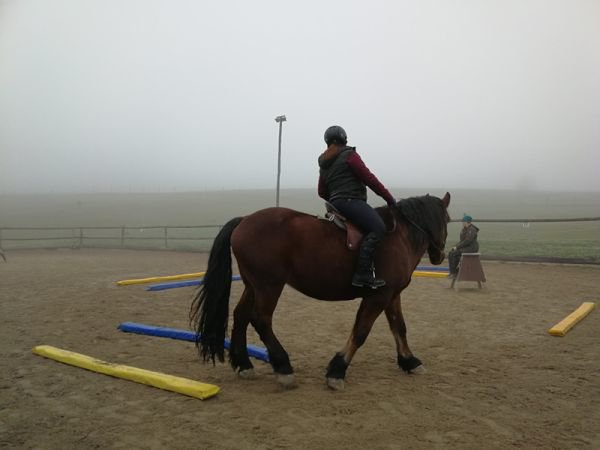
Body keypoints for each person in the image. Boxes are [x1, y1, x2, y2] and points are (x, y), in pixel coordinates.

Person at [317, 125, 396, 289]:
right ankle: (362, 275)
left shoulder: (324, 163)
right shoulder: (349, 155)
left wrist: (335, 198)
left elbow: (321, 191)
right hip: (351, 201)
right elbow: (369, 179)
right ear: (344, 138)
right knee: (378, 228)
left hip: (335, 204)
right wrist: (389, 199)